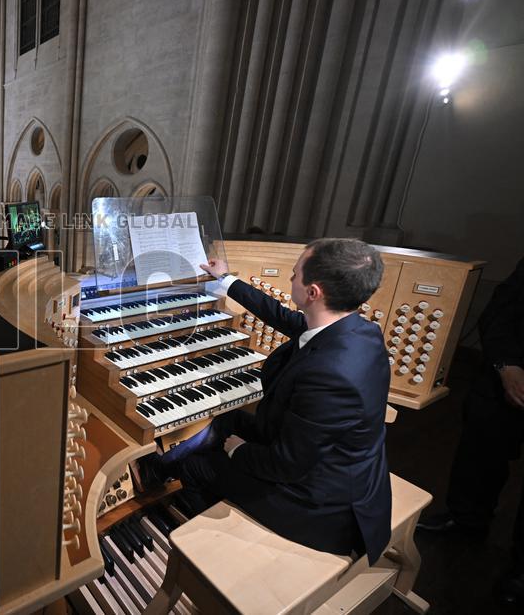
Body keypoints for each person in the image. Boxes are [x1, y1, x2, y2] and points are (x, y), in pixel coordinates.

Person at [171, 238, 392, 562]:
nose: (290, 279)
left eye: (295, 274)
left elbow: (287, 465)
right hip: (326, 461)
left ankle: (208, 556)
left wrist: (239, 451)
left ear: (313, 292)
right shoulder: (357, 329)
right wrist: (226, 279)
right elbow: (283, 316)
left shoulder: (333, 377)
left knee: (195, 467)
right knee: (229, 419)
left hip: (318, 504)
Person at [417, 256, 524, 603]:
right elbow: (501, 310)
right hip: (509, 372)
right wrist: (507, 365)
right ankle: (466, 519)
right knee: (479, 452)